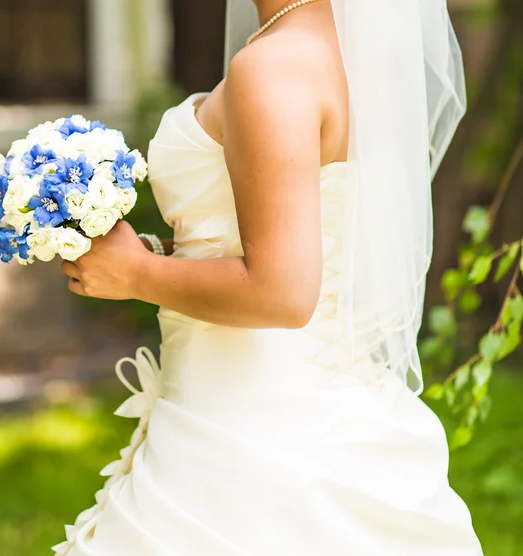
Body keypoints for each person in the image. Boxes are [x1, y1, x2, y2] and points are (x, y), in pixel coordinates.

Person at [54, 0, 484, 554]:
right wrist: (163, 253)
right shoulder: (353, 59)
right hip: (318, 405)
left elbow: (281, 292)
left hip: (248, 428)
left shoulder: (274, 66)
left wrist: (137, 273)